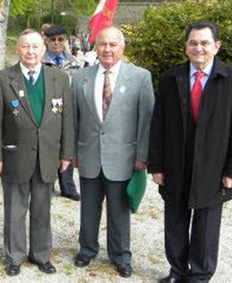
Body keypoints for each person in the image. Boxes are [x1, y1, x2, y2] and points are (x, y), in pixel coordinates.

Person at [148, 20, 232, 283]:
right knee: (175, 222)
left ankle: (200, 275)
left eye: (204, 42)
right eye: (193, 43)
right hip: (176, 164)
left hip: (214, 166)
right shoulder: (171, 78)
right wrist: (156, 165)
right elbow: (158, 124)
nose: (199, 48)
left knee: (206, 225)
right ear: (186, 47)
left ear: (217, 46)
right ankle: (177, 270)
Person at [0, 29, 74, 276]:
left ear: (43, 48)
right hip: (14, 155)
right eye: (26, 46)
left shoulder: (59, 78)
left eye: (35, 46)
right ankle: (14, 256)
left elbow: (67, 120)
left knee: (42, 209)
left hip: (48, 156)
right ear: (18, 49)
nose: (31, 51)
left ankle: (40, 255)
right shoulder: (1, 79)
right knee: (15, 210)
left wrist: (66, 154)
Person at [72, 26, 154, 278]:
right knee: (88, 207)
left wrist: (142, 155)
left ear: (122, 48)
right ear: (96, 47)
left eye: (113, 44)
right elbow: (73, 119)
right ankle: (87, 249)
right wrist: (72, 150)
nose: (107, 49)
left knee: (119, 210)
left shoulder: (140, 77)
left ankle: (120, 255)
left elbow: (146, 119)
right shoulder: (80, 77)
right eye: (102, 44)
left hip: (123, 158)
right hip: (88, 155)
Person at [41, 25, 82, 201]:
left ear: (65, 40)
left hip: (68, 109)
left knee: (67, 145)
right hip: (46, 111)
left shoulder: (75, 62)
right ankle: (47, 183)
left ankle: (67, 186)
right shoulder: (40, 62)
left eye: (60, 39)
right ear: (46, 41)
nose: (56, 43)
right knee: (48, 147)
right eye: (52, 40)